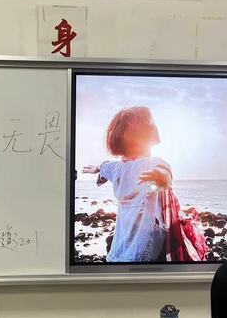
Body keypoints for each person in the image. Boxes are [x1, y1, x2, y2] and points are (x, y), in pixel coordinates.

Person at [82, 105, 206, 263]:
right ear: (141, 135)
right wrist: (161, 177)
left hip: (122, 244)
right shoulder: (153, 163)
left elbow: (105, 166)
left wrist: (97, 168)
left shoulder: (117, 168)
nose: (156, 126)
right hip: (146, 245)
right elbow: (165, 174)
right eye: (152, 123)